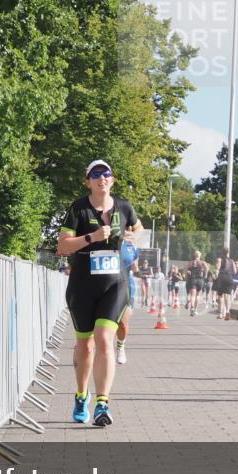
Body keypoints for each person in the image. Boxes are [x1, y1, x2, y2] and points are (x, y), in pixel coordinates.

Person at [57, 160, 143, 427]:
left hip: (114, 284)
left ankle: (102, 404)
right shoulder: (78, 209)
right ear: (88, 182)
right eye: (95, 175)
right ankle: (82, 395)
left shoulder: (124, 207)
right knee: (85, 344)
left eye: (106, 174)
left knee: (105, 338)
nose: (101, 178)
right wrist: (91, 238)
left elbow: (138, 228)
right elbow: (62, 246)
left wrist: (132, 238)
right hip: (82, 285)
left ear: (112, 180)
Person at [115, 240, 139, 365]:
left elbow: (135, 265)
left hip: (127, 287)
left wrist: (135, 267)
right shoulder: (105, 239)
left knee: (123, 324)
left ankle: (121, 347)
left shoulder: (132, 245)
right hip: (106, 285)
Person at [213, 247, 238, 319]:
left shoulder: (219, 259)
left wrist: (215, 276)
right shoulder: (232, 261)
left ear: (222, 252)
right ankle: (227, 312)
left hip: (221, 277)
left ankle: (221, 313)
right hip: (229, 278)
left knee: (220, 296)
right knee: (227, 296)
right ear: (228, 252)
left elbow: (217, 269)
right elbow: (235, 271)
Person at [184, 251, 207, 316]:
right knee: (197, 295)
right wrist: (205, 275)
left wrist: (186, 276)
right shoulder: (202, 262)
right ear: (200, 256)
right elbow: (207, 268)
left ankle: (192, 308)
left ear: (194, 255)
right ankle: (196, 309)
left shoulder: (191, 262)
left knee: (193, 295)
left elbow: (185, 269)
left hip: (193, 279)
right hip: (200, 280)